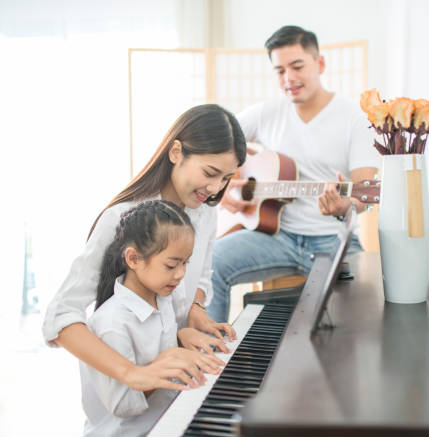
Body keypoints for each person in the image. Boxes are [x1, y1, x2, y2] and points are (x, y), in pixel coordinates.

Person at [43, 104, 246, 393]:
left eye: (226, 178)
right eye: (210, 173)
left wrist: (195, 311)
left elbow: (199, 278)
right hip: (127, 398)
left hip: (174, 384)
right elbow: (60, 316)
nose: (215, 189)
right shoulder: (121, 219)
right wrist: (133, 374)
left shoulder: (205, 211)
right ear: (176, 152)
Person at [207, 26, 379, 323]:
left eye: (297, 66)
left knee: (365, 306)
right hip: (276, 236)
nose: (289, 78)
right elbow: (213, 145)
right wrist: (221, 191)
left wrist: (346, 205)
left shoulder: (355, 118)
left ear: (320, 64)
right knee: (208, 266)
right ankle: (210, 360)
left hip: (333, 241)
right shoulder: (264, 113)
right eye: (279, 70)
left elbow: (366, 191)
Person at [80, 200, 213, 436]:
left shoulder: (162, 298)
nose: (181, 274)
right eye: (172, 265)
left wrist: (183, 338)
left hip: (168, 421)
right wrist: (167, 363)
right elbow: (123, 405)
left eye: (186, 263)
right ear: (133, 259)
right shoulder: (112, 323)